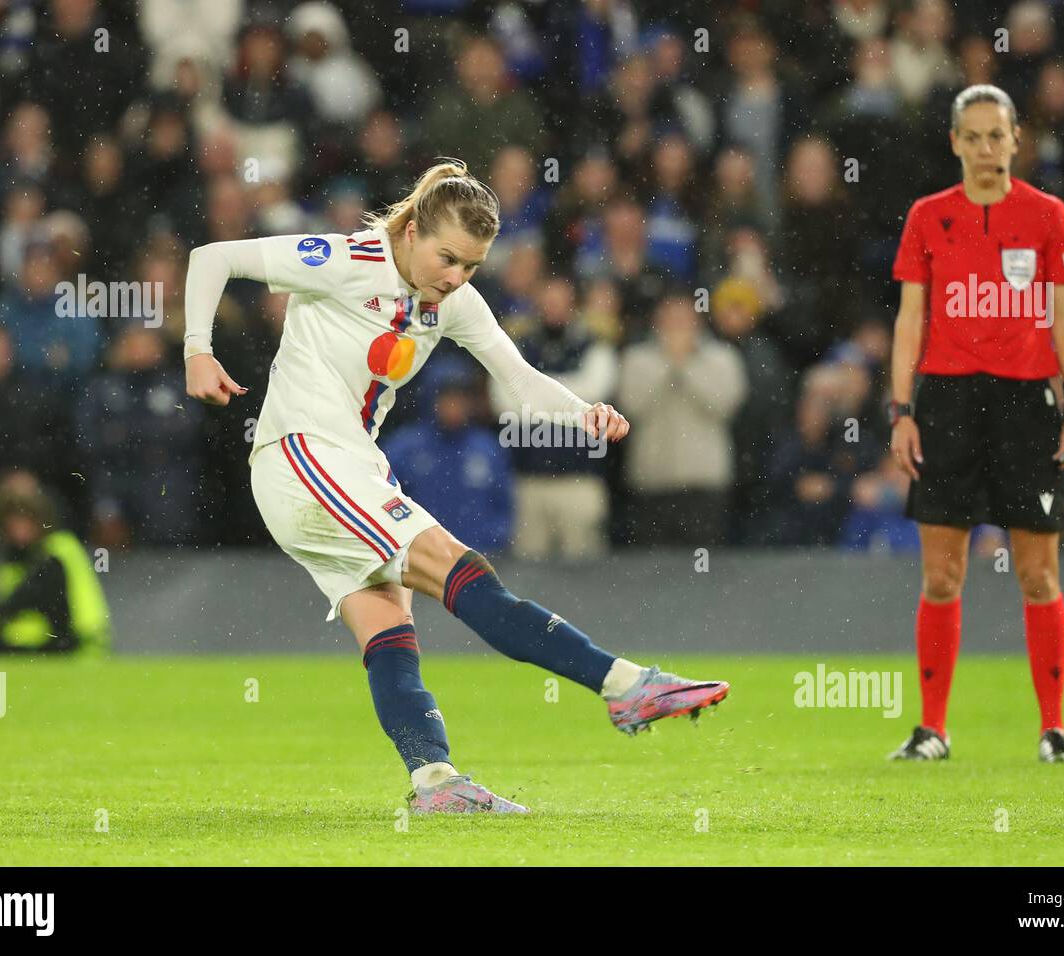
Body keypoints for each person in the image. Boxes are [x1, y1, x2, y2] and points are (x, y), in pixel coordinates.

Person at [182, 160, 729, 814]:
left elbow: (521, 379)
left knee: (389, 627)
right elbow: (212, 257)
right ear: (410, 231)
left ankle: (435, 782)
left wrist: (582, 412)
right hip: (303, 456)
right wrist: (197, 349)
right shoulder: (344, 258)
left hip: (345, 466)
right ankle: (624, 683)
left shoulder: (452, 301)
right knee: (459, 568)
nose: (455, 278)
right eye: (446, 258)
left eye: (471, 266)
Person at [887, 85, 1064, 764]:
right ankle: (932, 730)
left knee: (1038, 573)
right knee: (942, 575)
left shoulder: (1047, 216)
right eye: (971, 136)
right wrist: (901, 410)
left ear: (1015, 139)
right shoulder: (926, 217)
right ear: (954, 142)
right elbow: (910, 319)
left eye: (995, 136)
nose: (985, 148)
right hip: (946, 404)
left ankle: (1054, 729)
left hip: (1026, 408)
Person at [0, 470, 111, 656]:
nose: (19, 530)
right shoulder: (16, 558)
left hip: (78, 646)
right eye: (13, 522)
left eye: (26, 520)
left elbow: (15, 603)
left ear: (40, 520)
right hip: (47, 644)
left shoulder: (55, 554)